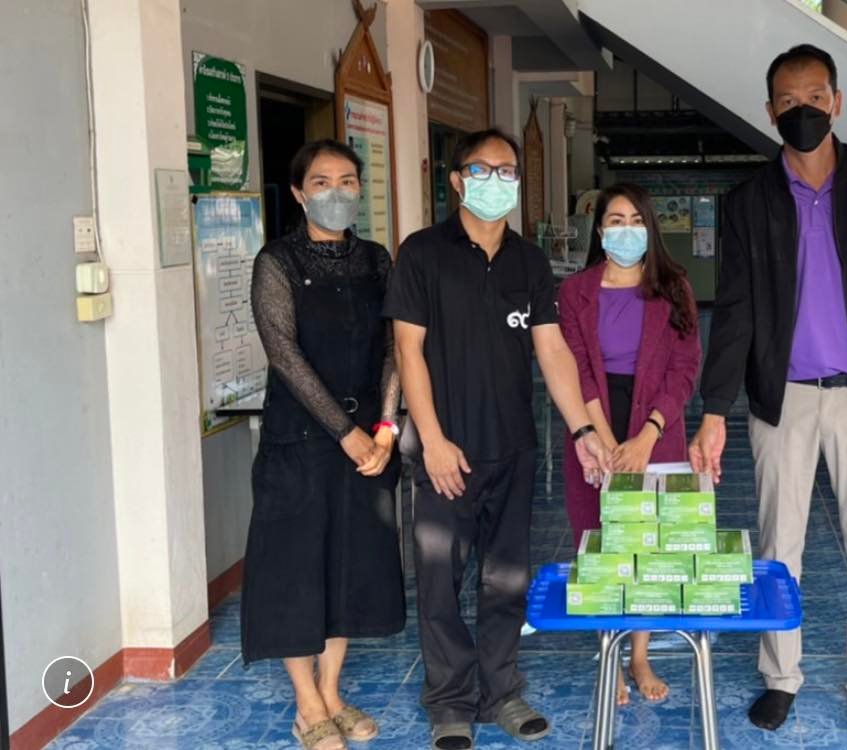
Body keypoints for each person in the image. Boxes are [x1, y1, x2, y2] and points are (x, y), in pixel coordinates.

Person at [689, 44, 847, 740]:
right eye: (789, 101)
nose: (804, 109)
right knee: (779, 547)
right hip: (783, 400)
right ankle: (781, 676)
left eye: (815, 96)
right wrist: (715, 409)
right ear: (770, 111)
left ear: (837, 101)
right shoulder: (748, 202)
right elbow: (734, 312)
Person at [385, 128, 612, 750]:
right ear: (458, 180)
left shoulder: (529, 262)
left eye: (506, 171)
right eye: (482, 170)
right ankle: (449, 702)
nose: (496, 181)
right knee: (440, 582)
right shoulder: (422, 254)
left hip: (512, 447)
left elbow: (552, 350)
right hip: (445, 451)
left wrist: (582, 428)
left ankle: (502, 691)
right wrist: (432, 440)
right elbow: (408, 350)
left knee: (506, 578)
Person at [243, 139, 405, 750]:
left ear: (360, 189)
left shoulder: (376, 259)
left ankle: (332, 690)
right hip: (301, 442)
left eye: (346, 181)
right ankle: (307, 705)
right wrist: (346, 431)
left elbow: (394, 347)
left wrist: (385, 426)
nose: (335, 193)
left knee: (348, 567)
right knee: (296, 570)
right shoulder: (277, 262)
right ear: (297, 192)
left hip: (368, 444)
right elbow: (284, 354)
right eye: (320, 182)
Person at [558, 183, 702, 706]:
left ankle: (639, 654)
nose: (626, 230)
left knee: (647, 540)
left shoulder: (674, 286)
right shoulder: (575, 291)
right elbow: (575, 366)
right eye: (615, 221)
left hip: (655, 423)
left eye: (635, 220)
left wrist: (647, 436)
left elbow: (685, 367)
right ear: (599, 230)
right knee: (598, 539)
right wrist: (602, 438)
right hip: (594, 419)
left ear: (650, 227)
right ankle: (610, 655)